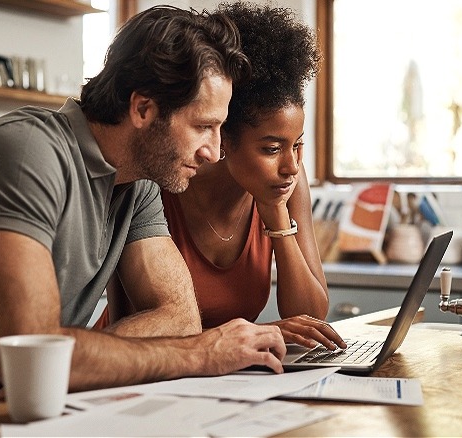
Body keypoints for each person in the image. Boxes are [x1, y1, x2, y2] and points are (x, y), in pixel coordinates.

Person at [0, 5, 287, 423]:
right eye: (202, 127)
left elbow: (178, 317)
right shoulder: (25, 154)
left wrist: (69, 360)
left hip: (25, 409)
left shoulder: (138, 182)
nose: (213, 152)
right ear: (143, 109)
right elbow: (33, 352)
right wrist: (201, 353)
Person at [98, 2, 346, 352]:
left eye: (298, 145)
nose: (291, 166)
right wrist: (259, 333)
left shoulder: (285, 183)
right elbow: (140, 321)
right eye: (272, 149)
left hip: (225, 371)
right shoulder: (163, 178)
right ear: (223, 137)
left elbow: (311, 317)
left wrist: (275, 213)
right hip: (139, 364)